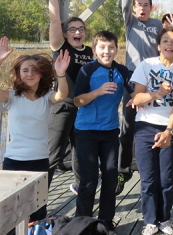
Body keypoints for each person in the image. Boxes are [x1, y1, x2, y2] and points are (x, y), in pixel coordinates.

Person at [0, 37, 70, 222]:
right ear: (18, 74)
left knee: (38, 211)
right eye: (25, 70)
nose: (29, 74)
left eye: (34, 71)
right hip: (14, 161)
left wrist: (61, 74)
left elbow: (62, 95)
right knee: (12, 211)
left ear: (41, 74)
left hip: (40, 161)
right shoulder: (12, 97)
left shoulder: (46, 97)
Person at [119, 0, 173, 193]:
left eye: (146, 5)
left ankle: (168, 172)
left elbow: (171, 43)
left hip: (157, 79)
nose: (142, 8)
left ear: (151, 7)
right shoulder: (131, 23)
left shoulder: (157, 25)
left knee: (163, 123)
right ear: (135, 9)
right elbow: (124, 3)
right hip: (132, 79)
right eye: (139, 5)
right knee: (127, 125)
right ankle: (123, 171)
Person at [129, 27, 173, 235]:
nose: (169, 44)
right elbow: (136, 99)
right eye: (165, 40)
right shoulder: (146, 65)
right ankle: (150, 221)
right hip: (145, 126)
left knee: (166, 179)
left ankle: (164, 220)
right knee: (148, 179)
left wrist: (169, 131)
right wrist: (157, 93)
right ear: (158, 46)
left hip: (169, 127)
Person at [73, 31, 133, 231]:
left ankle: (106, 222)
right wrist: (97, 92)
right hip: (86, 131)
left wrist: (146, 96)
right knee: (88, 180)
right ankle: (83, 223)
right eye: (102, 47)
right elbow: (77, 101)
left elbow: (137, 90)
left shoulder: (122, 71)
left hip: (109, 132)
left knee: (110, 177)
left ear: (116, 49)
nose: (106, 51)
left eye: (111, 47)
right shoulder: (87, 70)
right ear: (94, 50)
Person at [47, 0, 94, 193]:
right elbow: (54, 20)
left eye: (81, 29)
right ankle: (38, 198)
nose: (78, 32)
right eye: (73, 29)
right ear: (65, 34)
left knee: (80, 150)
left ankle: (80, 186)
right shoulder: (61, 47)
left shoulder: (90, 51)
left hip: (82, 106)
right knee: (54, 153)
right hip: (64, 105)